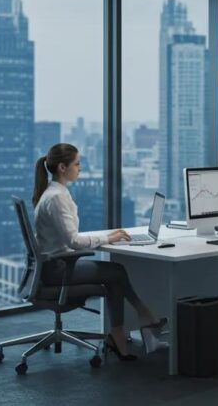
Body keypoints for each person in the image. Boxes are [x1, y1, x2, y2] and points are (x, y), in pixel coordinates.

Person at [33, 143, 165, 361]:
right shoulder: (56, 197)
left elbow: (68, 237)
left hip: (54, 265)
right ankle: (143, 315)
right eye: (77, 164)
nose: (80, 168)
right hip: (57, 270)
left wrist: (106, 237)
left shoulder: (54, 192)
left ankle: (120, 335)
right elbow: (73, 241)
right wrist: (107, 238)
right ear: (63, 167)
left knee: (114, 276)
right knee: (116, 272)